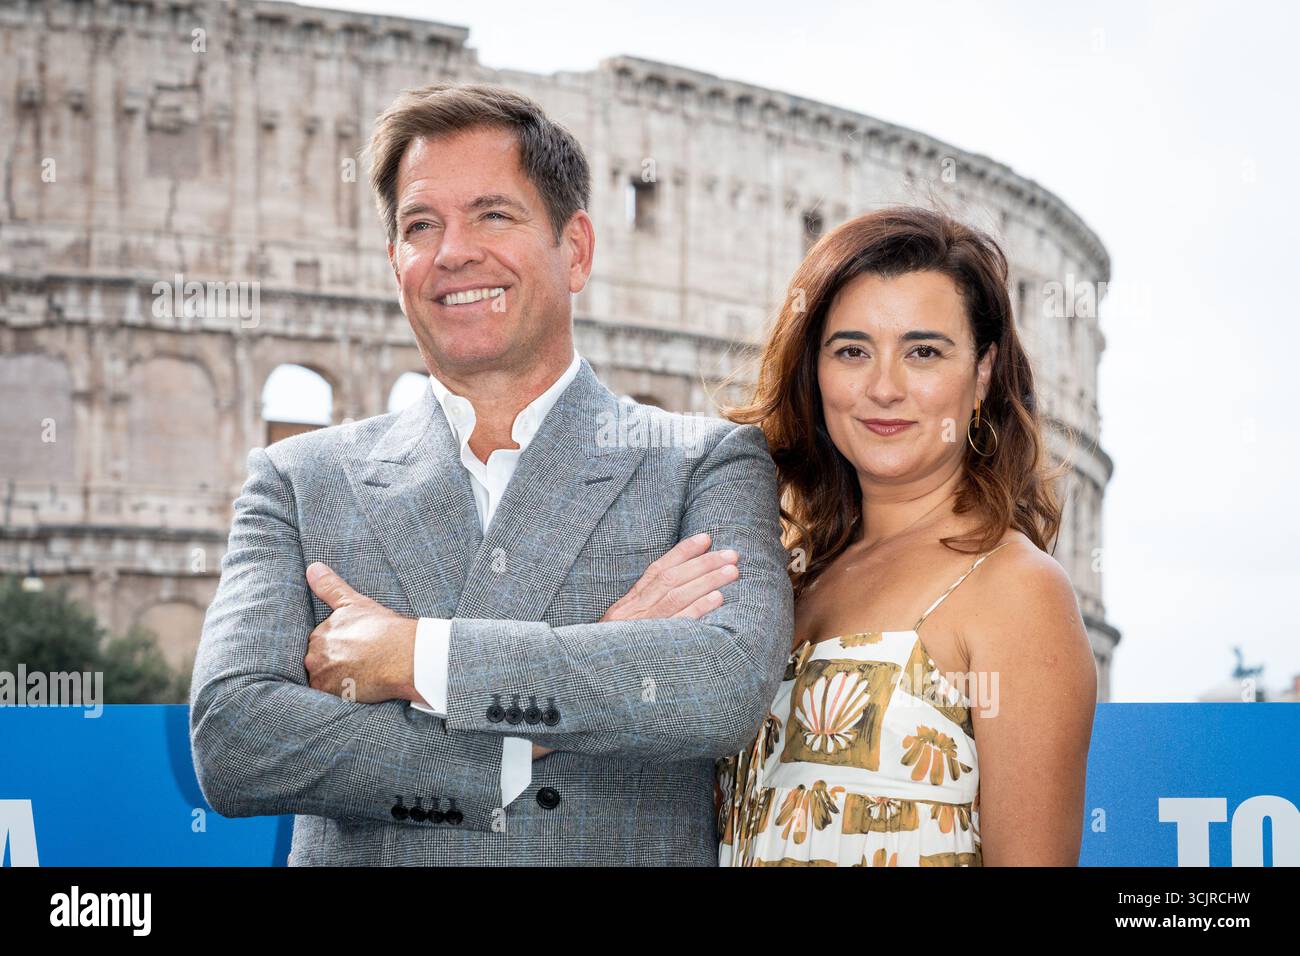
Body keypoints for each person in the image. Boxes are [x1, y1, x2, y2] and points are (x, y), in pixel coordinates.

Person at [188, 82, 792, 866]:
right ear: (394, 262)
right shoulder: (299, 479)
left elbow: (719, 690)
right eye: (421, 226)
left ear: (575, 250)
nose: (453, 252)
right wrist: (539, 722)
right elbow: (235, 741)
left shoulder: (703, 461)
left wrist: (414, 657)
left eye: (492, 215)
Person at [716, 206, 1097, 866]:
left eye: (923, 352)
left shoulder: (1016, 590)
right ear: (815, 371)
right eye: (852, 351)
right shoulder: (783, 574)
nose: (883, 387)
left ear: (981, 375)